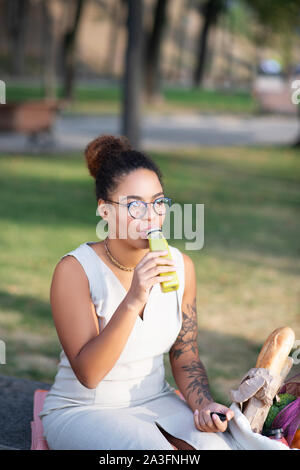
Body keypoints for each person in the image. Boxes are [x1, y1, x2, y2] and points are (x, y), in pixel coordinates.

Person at [39, 134, 235, 450]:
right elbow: (89, 373)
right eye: (134, 205)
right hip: (85, 408)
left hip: (155, 400)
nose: (151, 215)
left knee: (219, 448)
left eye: (158, 202)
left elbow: (185, 354)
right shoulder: (75, 271)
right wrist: (133, 299)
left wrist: (203, 406)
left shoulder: (181, 267)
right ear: (105, 211)